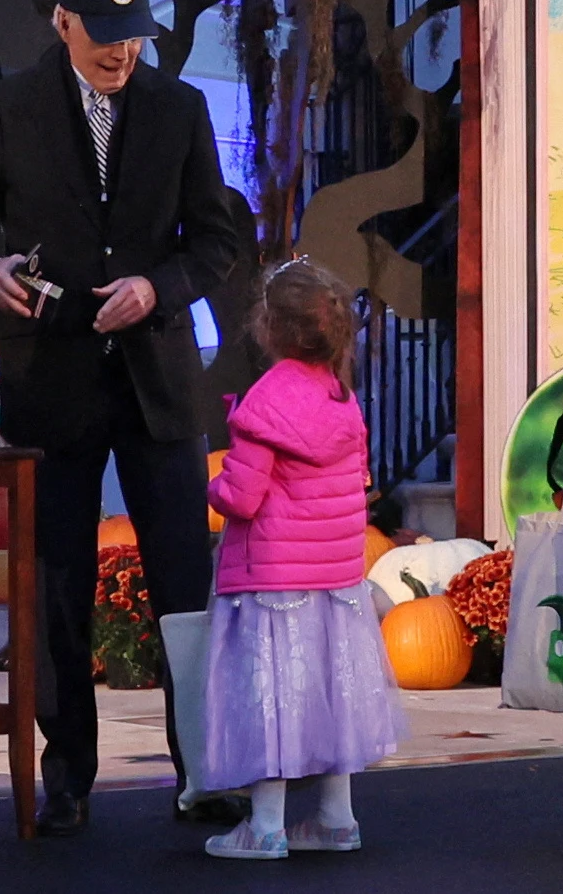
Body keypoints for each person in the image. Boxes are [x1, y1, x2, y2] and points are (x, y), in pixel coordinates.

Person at [0, 0, 258, 831]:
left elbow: (215, 241)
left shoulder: (179, 108)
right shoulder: (11, 108)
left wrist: (160, 286)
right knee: (60, 583)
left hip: (156, 379)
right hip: (54, 375)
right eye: (106, 38)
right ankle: (68, 773)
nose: (122, 55)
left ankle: (203, 770)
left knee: (184, 583)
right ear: (63, 22)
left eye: (135, 38)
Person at [194, 261, 397, 860]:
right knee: (332, 699)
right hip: (335, 580)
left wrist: (210, 489)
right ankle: (337, 819)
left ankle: (264, 827)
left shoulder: (265, 402)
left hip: (273, 580)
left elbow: (242, 496)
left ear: (269, 326)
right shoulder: (341, 397)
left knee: (271, 702)